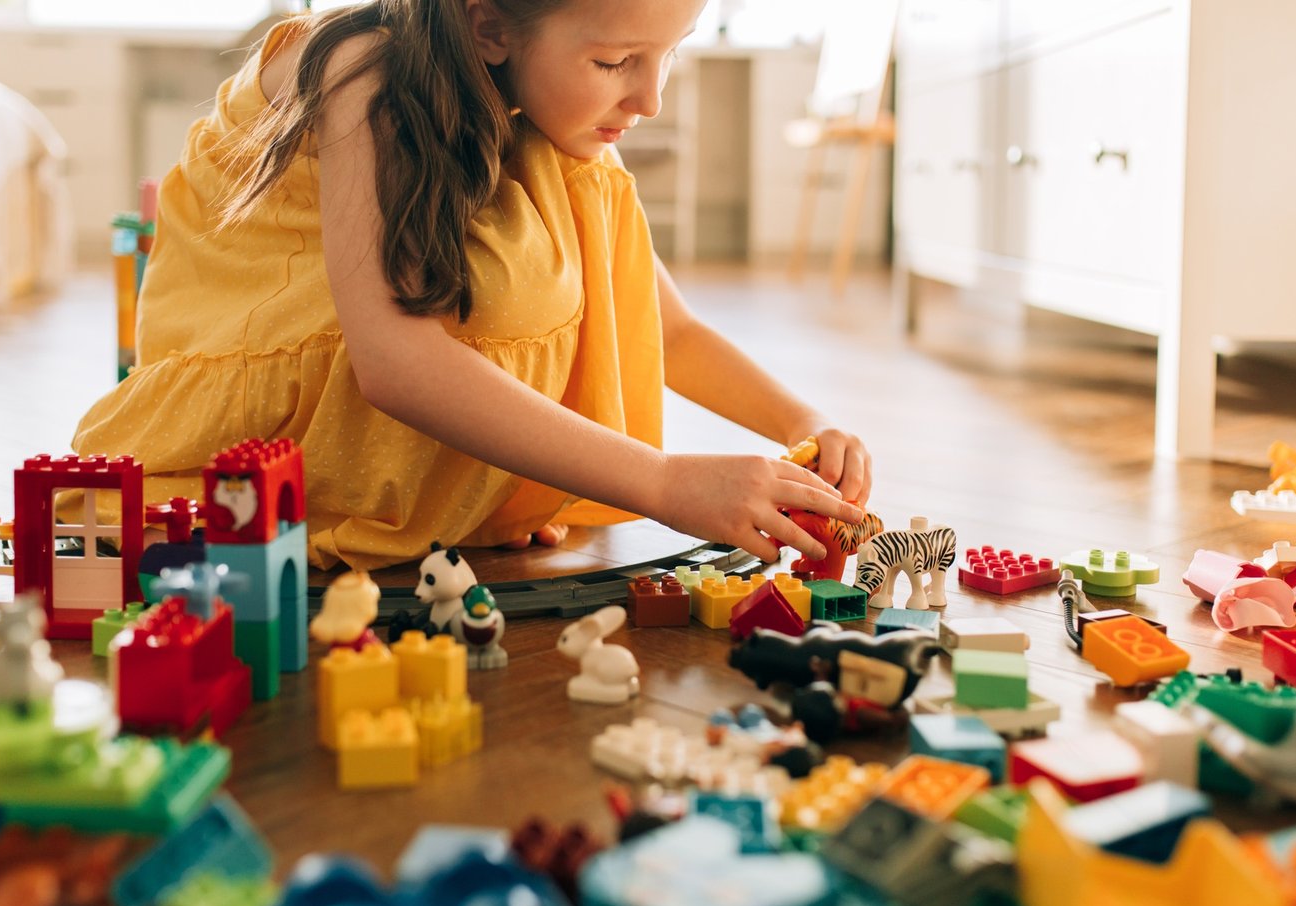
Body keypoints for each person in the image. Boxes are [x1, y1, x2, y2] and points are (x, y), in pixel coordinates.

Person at [69, 0, 872, 572]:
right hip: (274, 453)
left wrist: (805, 420)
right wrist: (666, 482)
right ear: (486, 23)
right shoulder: (367, 72)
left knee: (577, 221)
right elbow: (396, 362)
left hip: (435, 495)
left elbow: (671, 329)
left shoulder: (559, 118)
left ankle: (461, 497)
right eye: (614, 61)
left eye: (672, 49)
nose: (650, 98)